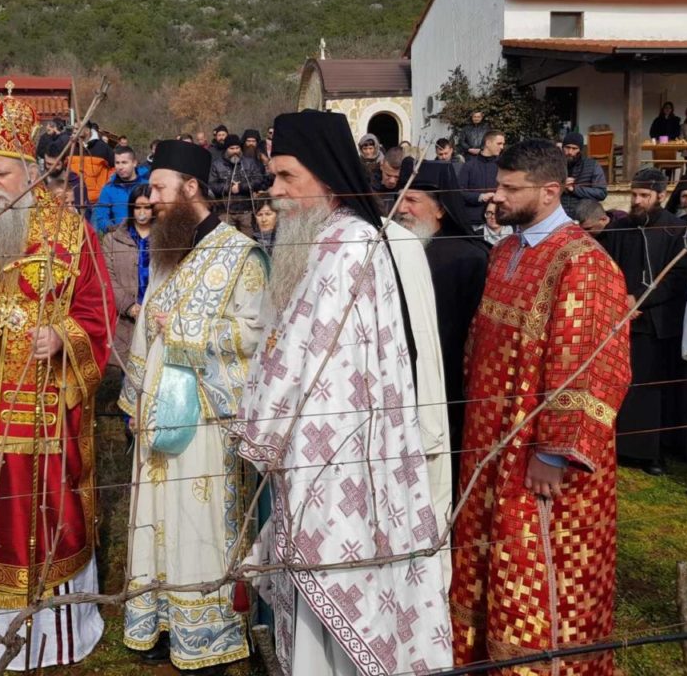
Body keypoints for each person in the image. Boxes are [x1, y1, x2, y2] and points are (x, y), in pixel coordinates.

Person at [236, 110, 452, 676]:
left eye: (287, 177)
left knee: (336, 592)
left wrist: (263, 430)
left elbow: (321, 367)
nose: (275, 192)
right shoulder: (317, 240)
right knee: (312, 612)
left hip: (342, 462)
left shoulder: (352, 244)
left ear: (327, 177)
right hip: (313, 458)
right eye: (273, 177)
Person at [0, 94, 114, 671]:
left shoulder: (71, 233)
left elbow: (98, 311)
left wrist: (63, 337)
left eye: (0, 172)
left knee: (39, 515)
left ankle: (50, 638)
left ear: (31, 172)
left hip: (42, 410)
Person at [452, 139, 631, 676]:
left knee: (539, 570)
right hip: (490, 442)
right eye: (498, 184)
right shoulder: (506, 251)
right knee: (488, 557)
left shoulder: (584, 263)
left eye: (510, 188)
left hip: (540, 459)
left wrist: (554, 450)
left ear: (550, 192)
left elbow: (592, 364)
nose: (495, 195)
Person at [119, 140, 267, 671]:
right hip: (157, 413)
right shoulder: (166, 247)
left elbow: (255, 337)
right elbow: (143, 334)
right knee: (154, 518)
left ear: (191, 188)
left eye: (158, 187)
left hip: (206, 417)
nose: (150, 197)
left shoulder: (241, 254)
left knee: (194, 520)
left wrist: (184, 329)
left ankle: (206, 629)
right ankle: (156, 617)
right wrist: (135, 399)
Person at [395, 159, 489, 493]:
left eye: (412, 200)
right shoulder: (394, 250)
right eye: (399, 198)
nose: (401, 209)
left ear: (440, 210)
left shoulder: (470, 258)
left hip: (449, 388)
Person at [599, 167, 687, 476]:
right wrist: (619, 299)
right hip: (622, 318)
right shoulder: (621, 228)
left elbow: (677, 278)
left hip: (657, 322)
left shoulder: (677, 230)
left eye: (644, 196)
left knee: (651, 388)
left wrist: (639, 300)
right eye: (634, 195)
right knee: (623, 383)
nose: (637, 201)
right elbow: (608, 268)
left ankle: (651, 452)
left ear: (661, 196)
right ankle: (620, 445)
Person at [102, 184, 153, 371]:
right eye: (138, 207)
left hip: (156, 316)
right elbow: (108, 278)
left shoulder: (166, 238)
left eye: (147, 207)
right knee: (127, 372)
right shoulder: (113, 239)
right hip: (124, 319)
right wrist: (129, 306)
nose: (142, 212)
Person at [209, 133, 270, 236]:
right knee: (226, 241)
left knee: (248, 241)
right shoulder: (217, 165)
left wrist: (241, 187)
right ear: (226, 149)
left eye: (237, 148)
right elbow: (212, 185)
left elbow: (258, 179)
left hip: (246, 211)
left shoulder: (249, 163)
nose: (235, 151)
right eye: (232, 148)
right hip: (225, 212)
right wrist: (229, 188)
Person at [92, 146, 150, 233]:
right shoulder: (108, 189)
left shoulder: (148, 185)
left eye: (124, 162)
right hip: (120, 238)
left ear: (134, 163)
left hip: (147, 236)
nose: (120, 167)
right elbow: (101, 217)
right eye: (117, 163)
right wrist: (114, 228)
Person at [458, 129, 505, 227]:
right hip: (474, 220)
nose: (502, 147)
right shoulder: (469, 166)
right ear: (488, 143)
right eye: (499, 143)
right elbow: (458, 192)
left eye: (503, 144)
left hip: (498, 219)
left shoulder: (504, 166)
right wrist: (480, 197)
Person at [559, 131, 608, 218]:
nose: (570, 152)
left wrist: (574, 189)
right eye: (567, 147)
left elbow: (601, 193)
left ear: (580, 150)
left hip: (584, 216)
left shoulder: (592, 165)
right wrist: (560, 186)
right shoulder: (554, 166)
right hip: (559, 216)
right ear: (562, 148)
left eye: (574, 149)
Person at [372, 145, 406, 212]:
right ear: (381, 166)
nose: (392, 181)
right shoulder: (369, 184)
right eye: (388, 175)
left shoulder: (409, 185)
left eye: (397, 177)